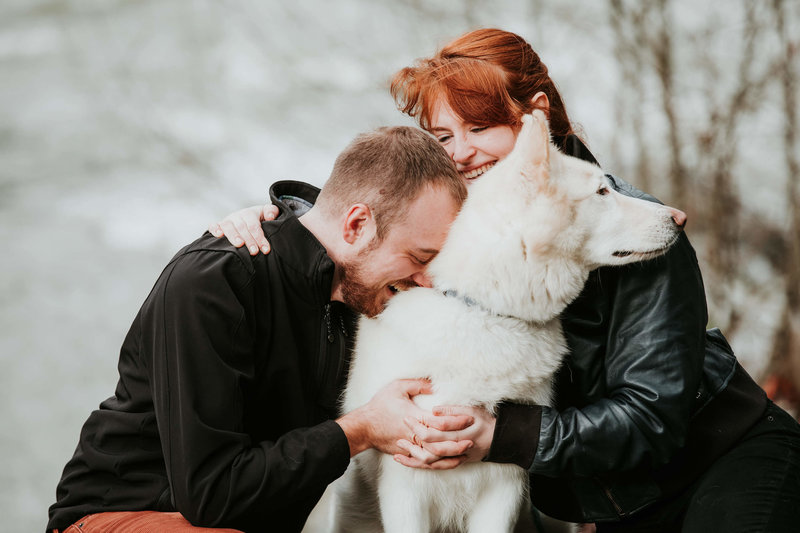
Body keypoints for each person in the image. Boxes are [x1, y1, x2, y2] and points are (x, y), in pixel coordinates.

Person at [210, 28, 800, 532]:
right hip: (618, 494)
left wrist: (502, 433)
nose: (461, 154)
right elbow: (357, 221)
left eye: (481, 128)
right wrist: (277, 219)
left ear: (534, 115)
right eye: (443, 137)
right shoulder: (455, 220)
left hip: (722, 458)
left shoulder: (629, 230)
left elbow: (651, 414)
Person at [47, 126, 470, 533]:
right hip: (115, 516)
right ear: (357, 225)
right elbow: (211, 494)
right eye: (419, 256)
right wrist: (362, 428)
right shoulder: (215, 282)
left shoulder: (362, 300)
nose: (427, 280)